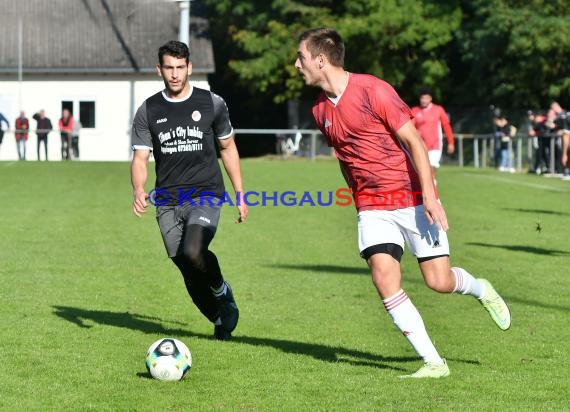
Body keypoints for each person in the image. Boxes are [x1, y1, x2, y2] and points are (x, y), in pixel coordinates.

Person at [295, 28, 510, 378]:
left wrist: (430, 196)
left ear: (320, 60)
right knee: (384, 278)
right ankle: (434, 363)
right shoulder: (320, 110)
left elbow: (415, 143)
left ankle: (480, 288)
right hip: (371, 206)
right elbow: (344, 157)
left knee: (438, 281)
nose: (296, 64)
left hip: (411, 198)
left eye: (301, 57)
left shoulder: (373, 90)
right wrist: (357, 198)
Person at [131, 40, 248, 341]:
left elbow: (228, 147)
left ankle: (222, 290)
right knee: (184, 264)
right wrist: (139, 188)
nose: (174, 74)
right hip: (167, 200)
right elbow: (140, 158)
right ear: (160, 69)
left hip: (205, 193)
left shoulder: (212, 103)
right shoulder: (148, 110)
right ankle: (219, 317)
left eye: (180, 67)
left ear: (189, 68)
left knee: (193, 251)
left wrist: (239, 193)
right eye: (169, 67)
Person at [411, 88, 455, 181]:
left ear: (430, 98)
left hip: (435, 145)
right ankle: (430, 189)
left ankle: (432, 191)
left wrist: (451, 142)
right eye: (422, 98)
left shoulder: (438, 110)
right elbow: (410, 127)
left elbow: (446, 126)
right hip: (420, 146)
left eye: (426, 98)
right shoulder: (415, 111)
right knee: (421, 172)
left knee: (431, 168)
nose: (424, 100)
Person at [551, 102, 570, 179]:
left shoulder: (565, 114)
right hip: (564, 138)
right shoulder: (560, 116)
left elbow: (566, 132)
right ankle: (566, 172)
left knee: (566, 154)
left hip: (566, 137)